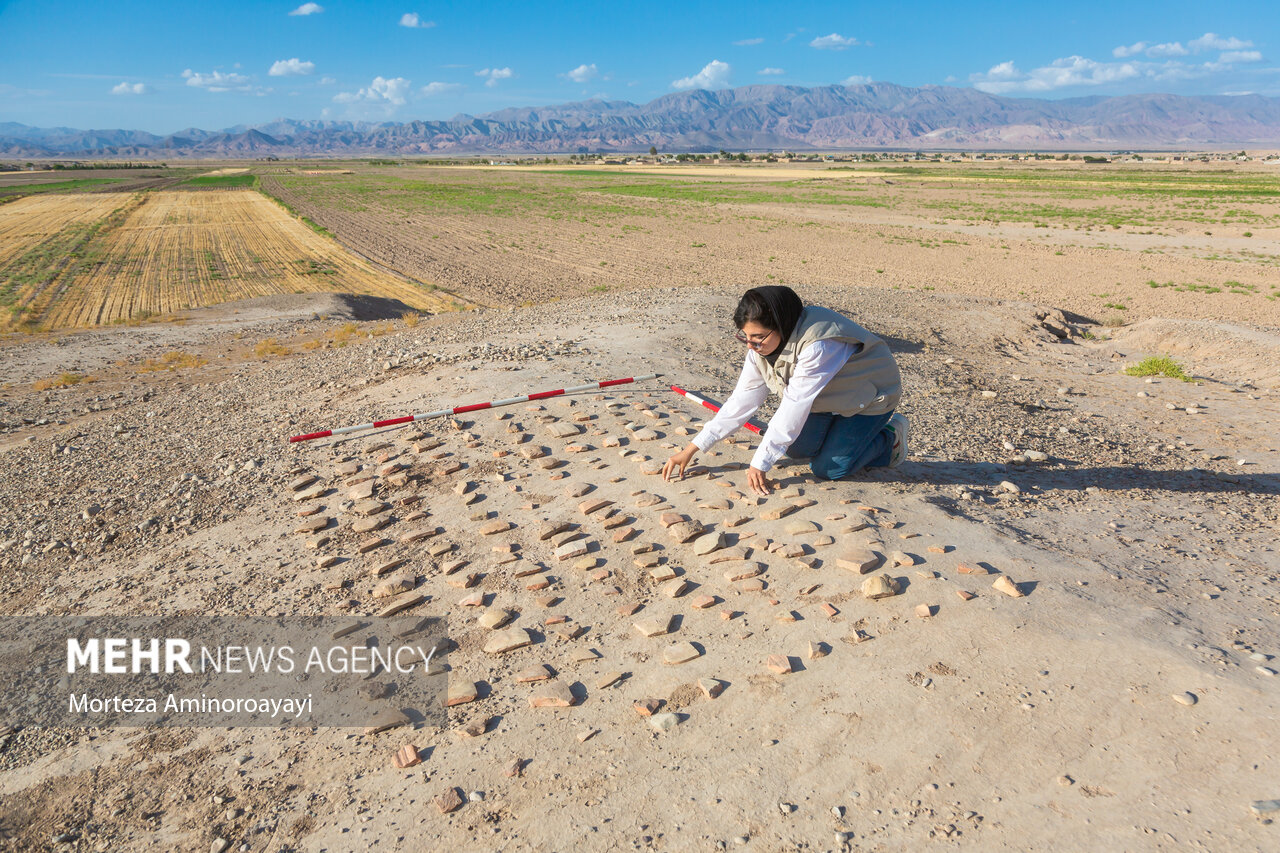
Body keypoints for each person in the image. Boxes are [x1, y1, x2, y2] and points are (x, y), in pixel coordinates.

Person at [662, 285, 907, 496]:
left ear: (781, 324)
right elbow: (742, 401)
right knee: (795, 449)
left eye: (757, 338)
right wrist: (692, 449)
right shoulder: (758, 349)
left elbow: (794, 404)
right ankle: (841, 438)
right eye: (745, 337)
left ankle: (889, 440)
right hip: (825, 399)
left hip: (869, 397)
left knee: (829, 469)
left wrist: (759, 464)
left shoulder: (819, 345)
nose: (751, 346)